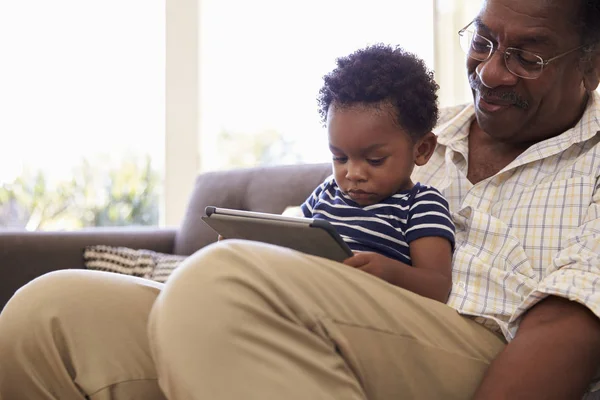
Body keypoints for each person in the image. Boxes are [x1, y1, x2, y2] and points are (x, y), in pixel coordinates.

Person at [0, 0, 599, 398]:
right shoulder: (411, 129)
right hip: (317, 325)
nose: (491, 72)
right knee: (50, 313)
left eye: (527, 56)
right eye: (485, 41)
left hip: (484, 356)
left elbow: (568, 332)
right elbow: (285, 246)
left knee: (225, 284)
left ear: (592, 66)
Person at [301, 44, 455, 303]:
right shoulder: (326, 193)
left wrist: (390, 271)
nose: (353, 173)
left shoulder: (421, 206)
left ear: (422, 149)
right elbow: (292, 238)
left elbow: (438, 287)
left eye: (374, 160)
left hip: (367, 313)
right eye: (340, 158)